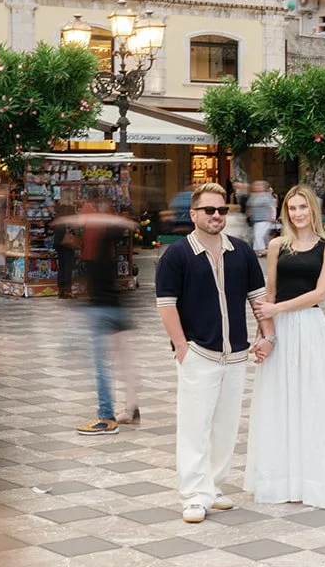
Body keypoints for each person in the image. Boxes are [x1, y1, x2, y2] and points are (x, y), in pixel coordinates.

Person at [154, 183, 268, 523]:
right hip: (198, 353)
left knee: (226, 426)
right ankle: (192, 494)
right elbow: (166, 305)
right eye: (209, 210)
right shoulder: (176, 255)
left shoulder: (242, 252)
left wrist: (268, 336)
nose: (217, 216)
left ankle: (213, 486)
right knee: (194, 427)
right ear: (193, 214)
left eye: (222, 210)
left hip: (235, 356)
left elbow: (258, 300)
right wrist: (181, 347)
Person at [246, 185, 325, 509]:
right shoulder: (275, 245)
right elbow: (269, 292)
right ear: (285, 212)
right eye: (292, 208)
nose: (298, 213)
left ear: (313, 209)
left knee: (319, 403)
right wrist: (264, 334)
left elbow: (320, 294)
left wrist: (277, 310)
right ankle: (283, 481)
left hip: (310, 329)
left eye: (303, 207)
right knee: (279, 403)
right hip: (279, 330)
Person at [72, 203, 140, 435]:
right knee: (124, 360)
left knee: (102, 364)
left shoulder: (98, 239)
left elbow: (128, 224)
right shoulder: (100, 240)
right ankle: (131, 410)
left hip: (103, 308)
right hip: (113, 306)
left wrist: (99, 219)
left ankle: (106, 416)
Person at [246, 180, 277, 255]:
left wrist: (273, 217)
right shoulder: (253, 196)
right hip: (255, 219)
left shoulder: (267, 196)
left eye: (259, 186)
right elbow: (249, 206)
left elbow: (272, 207)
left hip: (265, 218)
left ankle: (260, 249)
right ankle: (257, 250)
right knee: (256, 235)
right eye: (256, 186)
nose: (257, 187)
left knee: (259, 234)